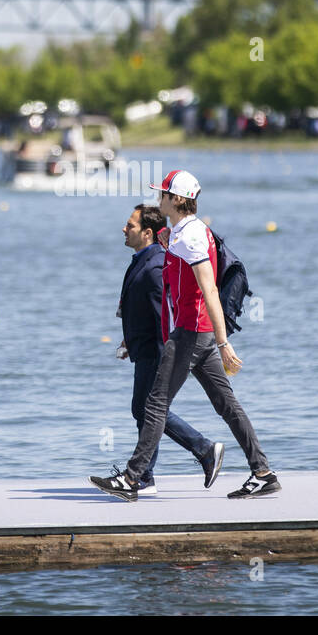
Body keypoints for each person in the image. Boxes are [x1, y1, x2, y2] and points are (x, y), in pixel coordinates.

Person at [91, 170, 279, 502]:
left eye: (163, 193)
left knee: (155, 403)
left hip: (192, 333)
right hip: (198, 333)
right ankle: (262, 472)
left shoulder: (190, 236)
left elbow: (209, 291)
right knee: (226, 405)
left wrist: (224, 344)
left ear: (177, 200)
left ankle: (133, 478)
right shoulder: (183, 232)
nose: (159, 198)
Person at [115, 204, 224, 495]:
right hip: (143, 348)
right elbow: (138, 306)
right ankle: (147, 474)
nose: (124, 229)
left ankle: (202, 450)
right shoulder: (143, 259)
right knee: (145, 410)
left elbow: (164, 315)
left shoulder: (154, 266)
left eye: (130, 225)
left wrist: (167, 357)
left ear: (147, 232)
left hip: (156, 352)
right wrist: (128, 339)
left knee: (148, 410)